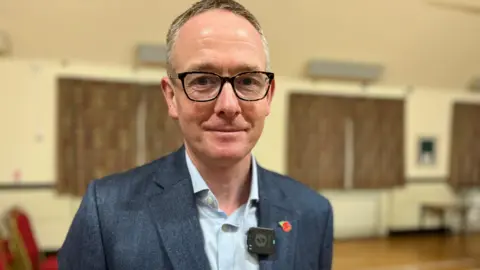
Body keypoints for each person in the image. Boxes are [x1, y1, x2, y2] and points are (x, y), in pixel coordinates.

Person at [58, 0, 334, 269]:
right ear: (171, 97)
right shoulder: (106, 211)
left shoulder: (312, 214)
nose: (228, 105)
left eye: (248, 81)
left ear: (268, 96)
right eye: (203, 80)